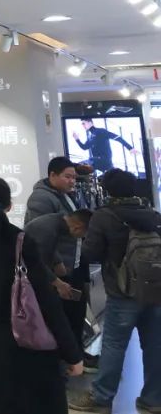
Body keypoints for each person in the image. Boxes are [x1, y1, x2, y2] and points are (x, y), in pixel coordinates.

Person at [0, 176, 83, 414]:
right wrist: (71, 353)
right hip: (30, 342)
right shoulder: (22, 241)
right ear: (9, 205)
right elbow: (47, 301)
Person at [69, 170, 161, 413]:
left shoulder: (104, 216)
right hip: (155, 291)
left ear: (108, 190)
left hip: (122, 292)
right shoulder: (151, 213)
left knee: (114, 345)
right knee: (155, 344)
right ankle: (154, 399)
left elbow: (91, 253)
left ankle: (101, 398)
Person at [25, 209, 94, 355]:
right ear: (78, 227)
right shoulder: (47, 229)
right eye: (84, 235)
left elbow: (44, 248)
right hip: (29, 281)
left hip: (39, 277)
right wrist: (58, 283)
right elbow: (36, 264)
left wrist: (57, 261)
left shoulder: (55, 223)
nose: (82, 238)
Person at [25, 156, 81, 224]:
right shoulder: (40, 198)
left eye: (74, 177)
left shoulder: (66, 193)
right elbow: (39, 228)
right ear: (53, 175)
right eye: (67, 177)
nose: (72, 181)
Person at [74, 118, 139, 174]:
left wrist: (130, 148)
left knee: (79, 166)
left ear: (90, 123)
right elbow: (84, 147)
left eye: (84, 123)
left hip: (104, 159)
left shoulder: (100, 131)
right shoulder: (90, 136)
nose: (83, 125)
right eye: (82, 124)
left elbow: (117, 137)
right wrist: (77, 139)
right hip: (98, 161)